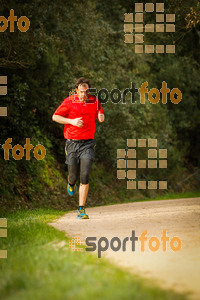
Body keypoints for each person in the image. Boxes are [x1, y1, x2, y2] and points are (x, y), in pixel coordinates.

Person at [52, 77, 104, 219]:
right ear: (76, 90)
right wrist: (72, 121)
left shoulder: (94, 101)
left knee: (85, 174)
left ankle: (81, 209)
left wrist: (101, 116)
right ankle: (70, 183)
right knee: (73, 176)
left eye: (86, 91)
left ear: (89, 90)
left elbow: (100, 115)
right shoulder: (69, 101)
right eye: (81, 91)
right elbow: (55, 117)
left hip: (88, 143)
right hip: (72, 143)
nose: (84, 94)